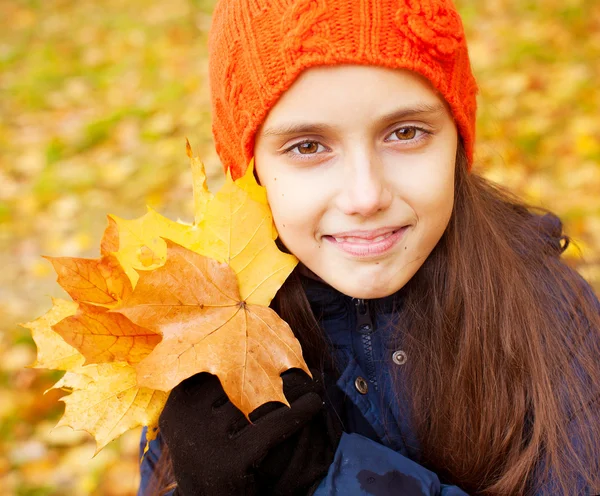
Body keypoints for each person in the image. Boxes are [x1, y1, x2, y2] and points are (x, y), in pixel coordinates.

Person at [138, 0, 600, 494]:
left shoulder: (546, 313)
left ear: (457, 143)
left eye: (405, 132)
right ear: (251, 171)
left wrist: (332, 480)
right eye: (308, 146)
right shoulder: (203, 341)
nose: (366, 196)